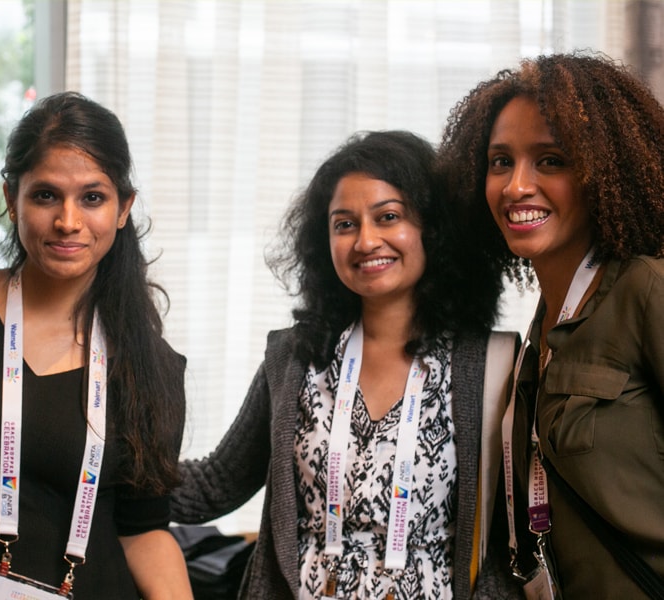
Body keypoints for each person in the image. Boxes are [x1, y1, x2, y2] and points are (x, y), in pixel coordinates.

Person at [172, 130, 520, 599]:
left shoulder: (490, 366)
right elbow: (214, 485)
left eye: (388, 217)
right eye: (344, 224)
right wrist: (89, 458)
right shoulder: (296, 359)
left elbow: (512, 539)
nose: (365, 241)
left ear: (432, 230)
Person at [0, 91, 192, 599]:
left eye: (92, 198)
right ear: (12, 200)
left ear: (124, 209)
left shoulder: (151, 366)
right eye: (46, 195)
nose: (68, 222)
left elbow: (144, 529)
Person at [438, 51, 664, 598]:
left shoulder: (647, 289)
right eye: (500, 162)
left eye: (551, 160)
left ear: (606, 172)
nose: (516, 186)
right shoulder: (537, 332)